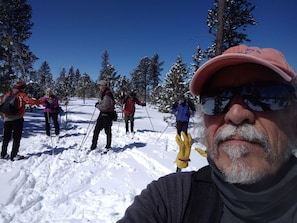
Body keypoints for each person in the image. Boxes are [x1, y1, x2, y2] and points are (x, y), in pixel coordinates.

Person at [117, 45, 297, 222]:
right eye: (216, 99)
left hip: (183, 121)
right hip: (173, 121)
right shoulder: (171, 198)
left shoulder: (186, 105)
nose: (235, 114)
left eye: (265, 95)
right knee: (180, 136)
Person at [0, 81, 44, 161]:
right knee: (16, 137)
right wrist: (43, 101)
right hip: (17, 118)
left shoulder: (8, 94)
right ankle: (14, 155)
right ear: (22, 88)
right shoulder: (22, 95)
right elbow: (32, 102)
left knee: (6, 137)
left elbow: (1, 102)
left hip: (7, 118)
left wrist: (3, 115)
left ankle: (3, 154)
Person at [90, 80, 115, 152]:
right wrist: (99, 103)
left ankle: (108, 146)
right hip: (103, 114)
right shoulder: (104, 93)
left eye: (100, 85)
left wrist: (97, 105)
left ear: (103, 86)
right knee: (97, 130)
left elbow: (104, 106)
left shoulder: (107, 94)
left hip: (107, 115)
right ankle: (93, 146)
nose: (99, 87)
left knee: (107, 131)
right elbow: (103, 103)